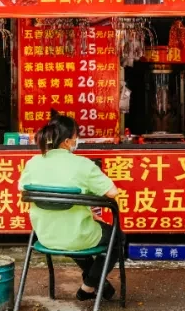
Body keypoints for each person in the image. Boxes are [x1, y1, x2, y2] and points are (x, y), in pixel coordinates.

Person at [18, 112, 121, 300]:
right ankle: (89, 286)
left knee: (77, 236)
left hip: (46, 236)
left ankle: (95, 285)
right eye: (75, 137)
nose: (77, 140)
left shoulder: (33, 163)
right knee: (118, 238)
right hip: (77, 235)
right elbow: (112, 192)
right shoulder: (82, 164)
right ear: (66, 141)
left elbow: (22, 189)